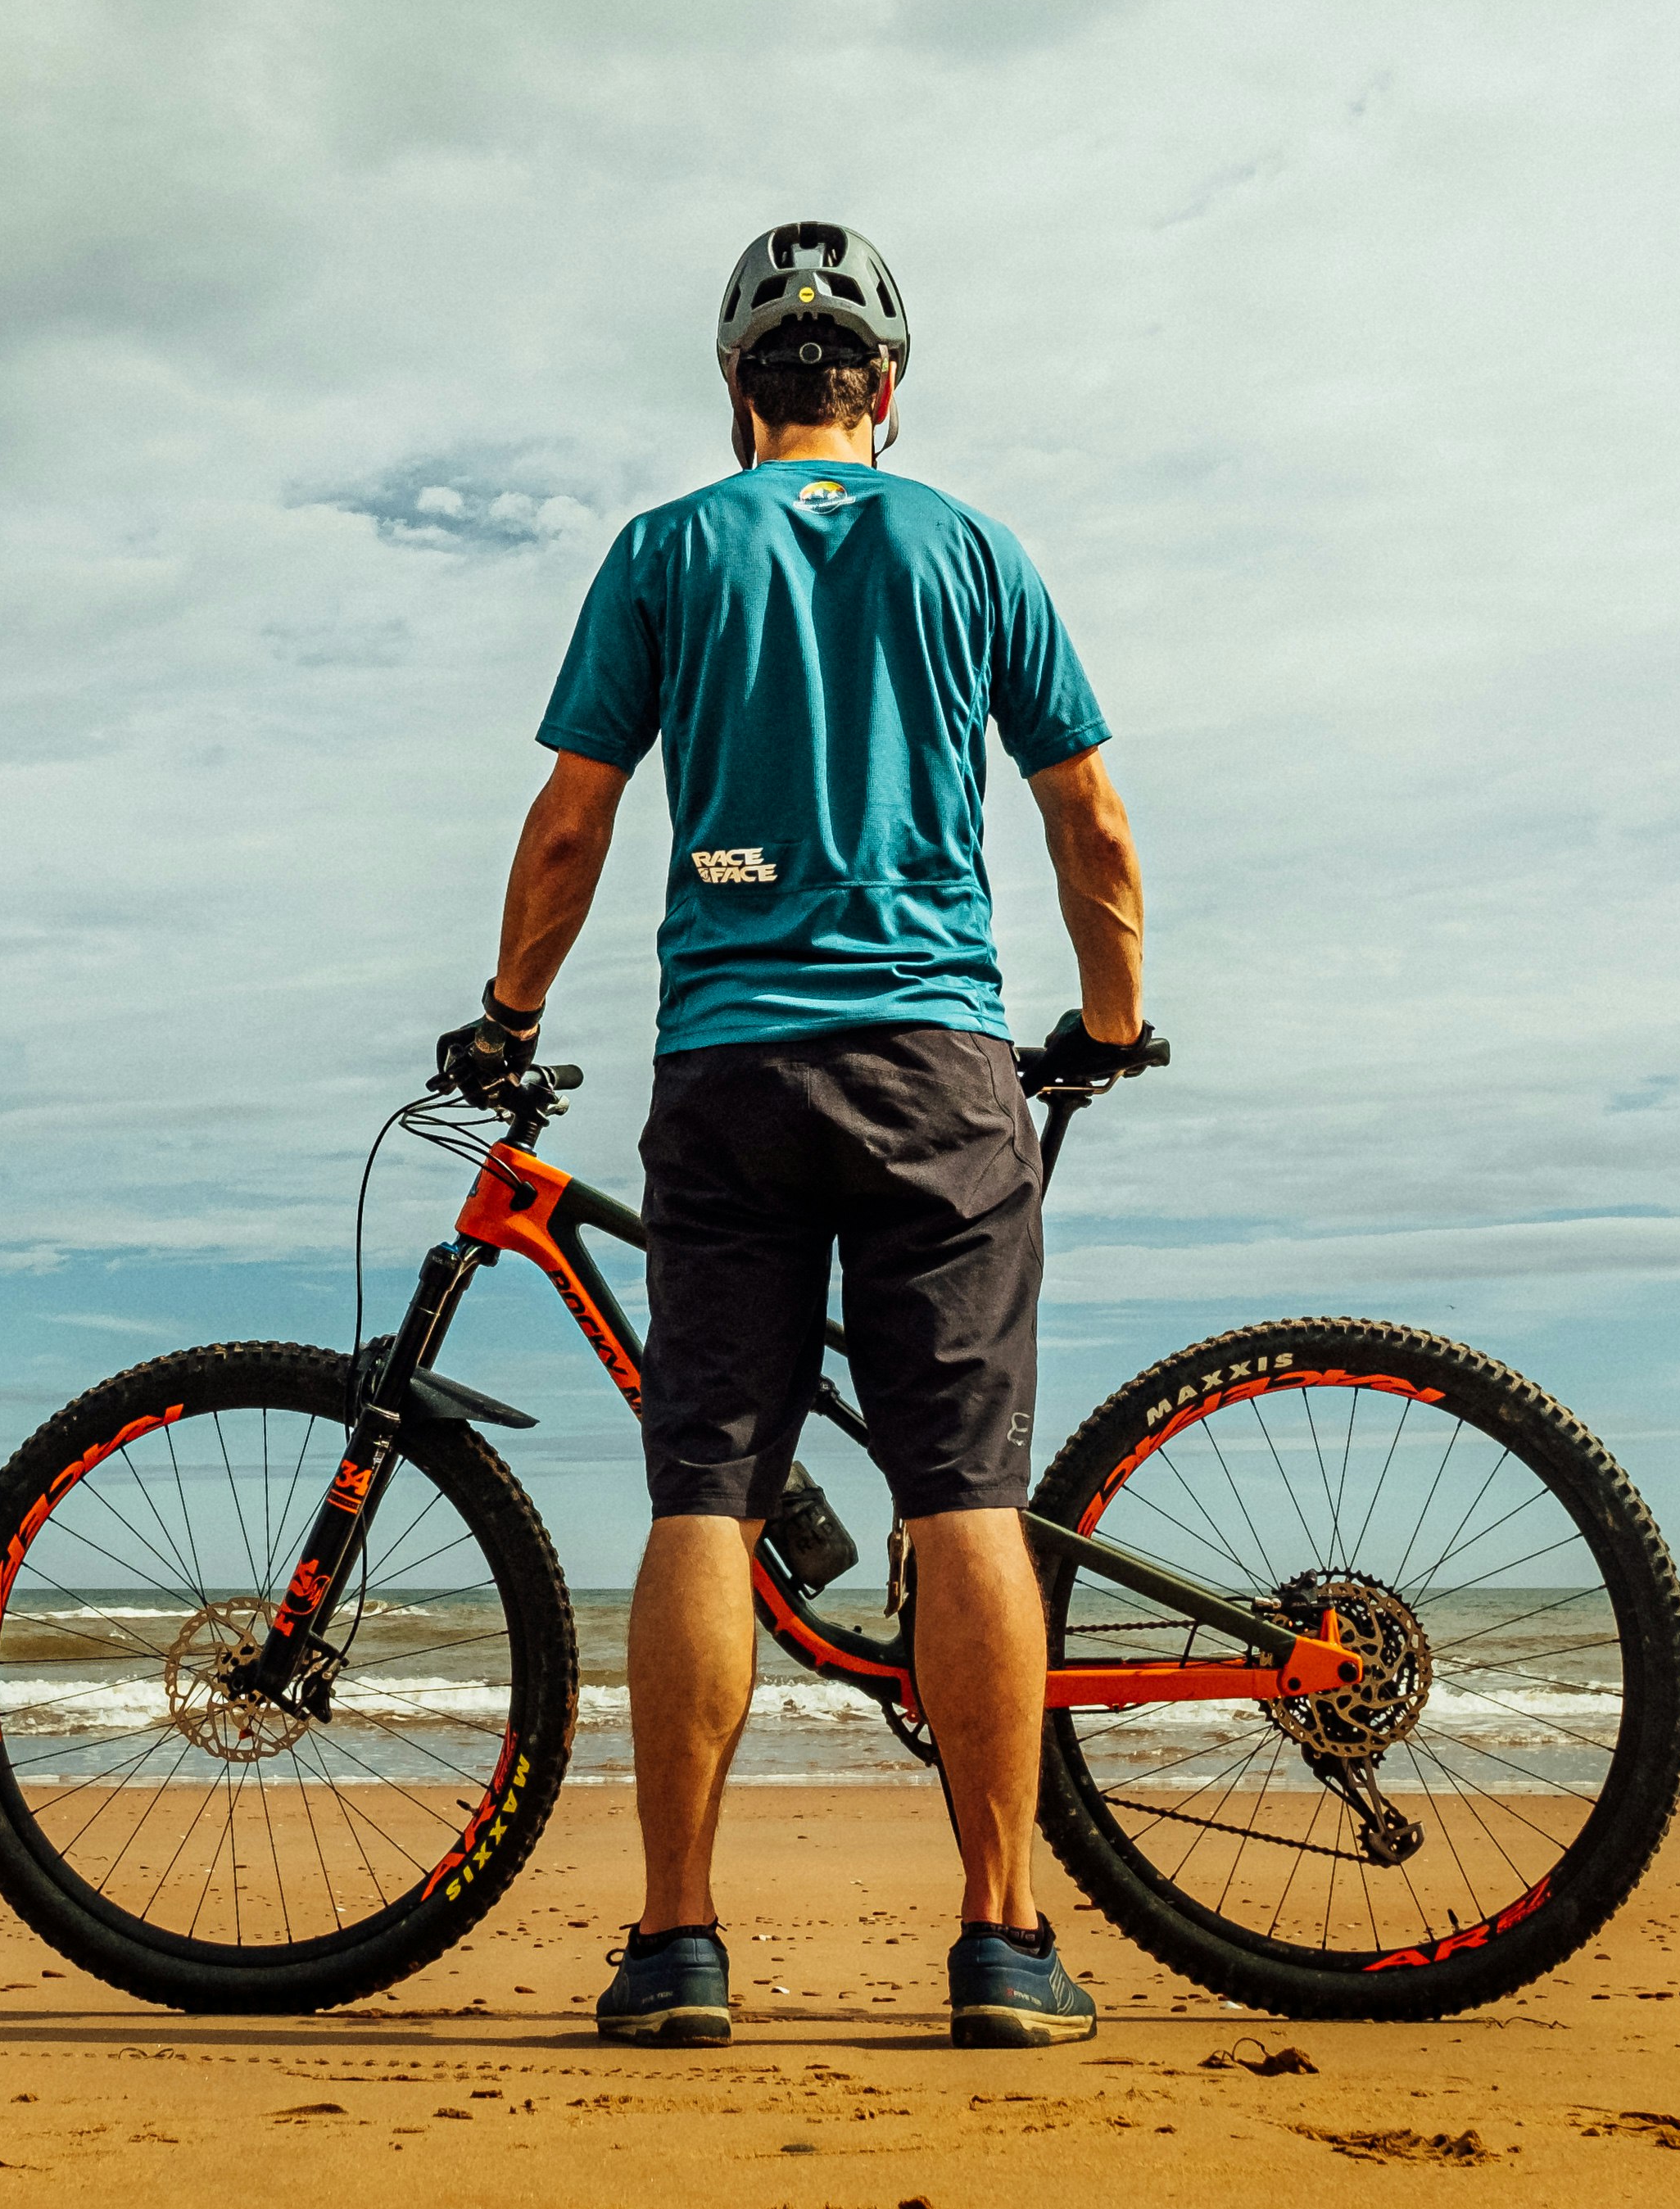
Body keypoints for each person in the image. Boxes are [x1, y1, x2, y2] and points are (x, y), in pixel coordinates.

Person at [434, 221, 1153, 2053]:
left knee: (701, 1492)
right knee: (963, 1495)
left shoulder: (669, 548)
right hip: (933, 1064)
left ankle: (677, 1941)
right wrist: (1115, 1016)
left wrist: (509, 1012)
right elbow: (1089, 821)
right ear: (886, 395)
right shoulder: (970, 545)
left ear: (735, 391)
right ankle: (1000, 1939)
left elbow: (573, 820)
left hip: (732, 1072)